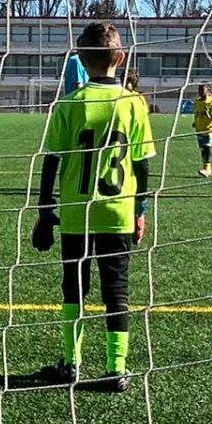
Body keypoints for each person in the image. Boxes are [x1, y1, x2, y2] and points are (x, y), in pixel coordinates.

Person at [31, 21, 154, 392]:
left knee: (75, 289)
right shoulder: (134, 104)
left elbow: (51, 161)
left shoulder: (69, 103)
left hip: (75, 213)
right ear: (121, 57)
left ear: (81, 59)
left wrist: (44, 211)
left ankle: (71, 363)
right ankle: (116, 369)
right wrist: (140, 210)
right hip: (117, 212)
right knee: (117, 289)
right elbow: (142, 164)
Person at [192, 83, 212, 177]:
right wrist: (195, 122)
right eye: (199, 89)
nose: (200, 91)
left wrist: (207, 113)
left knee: (207, 148)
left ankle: (207, 169)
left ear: (208, 90)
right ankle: (206, 168)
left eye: (202, 89)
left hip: (209, 128)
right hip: (199, 128)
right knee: (203, 149)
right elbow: (196, 113)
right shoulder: (197, 101)